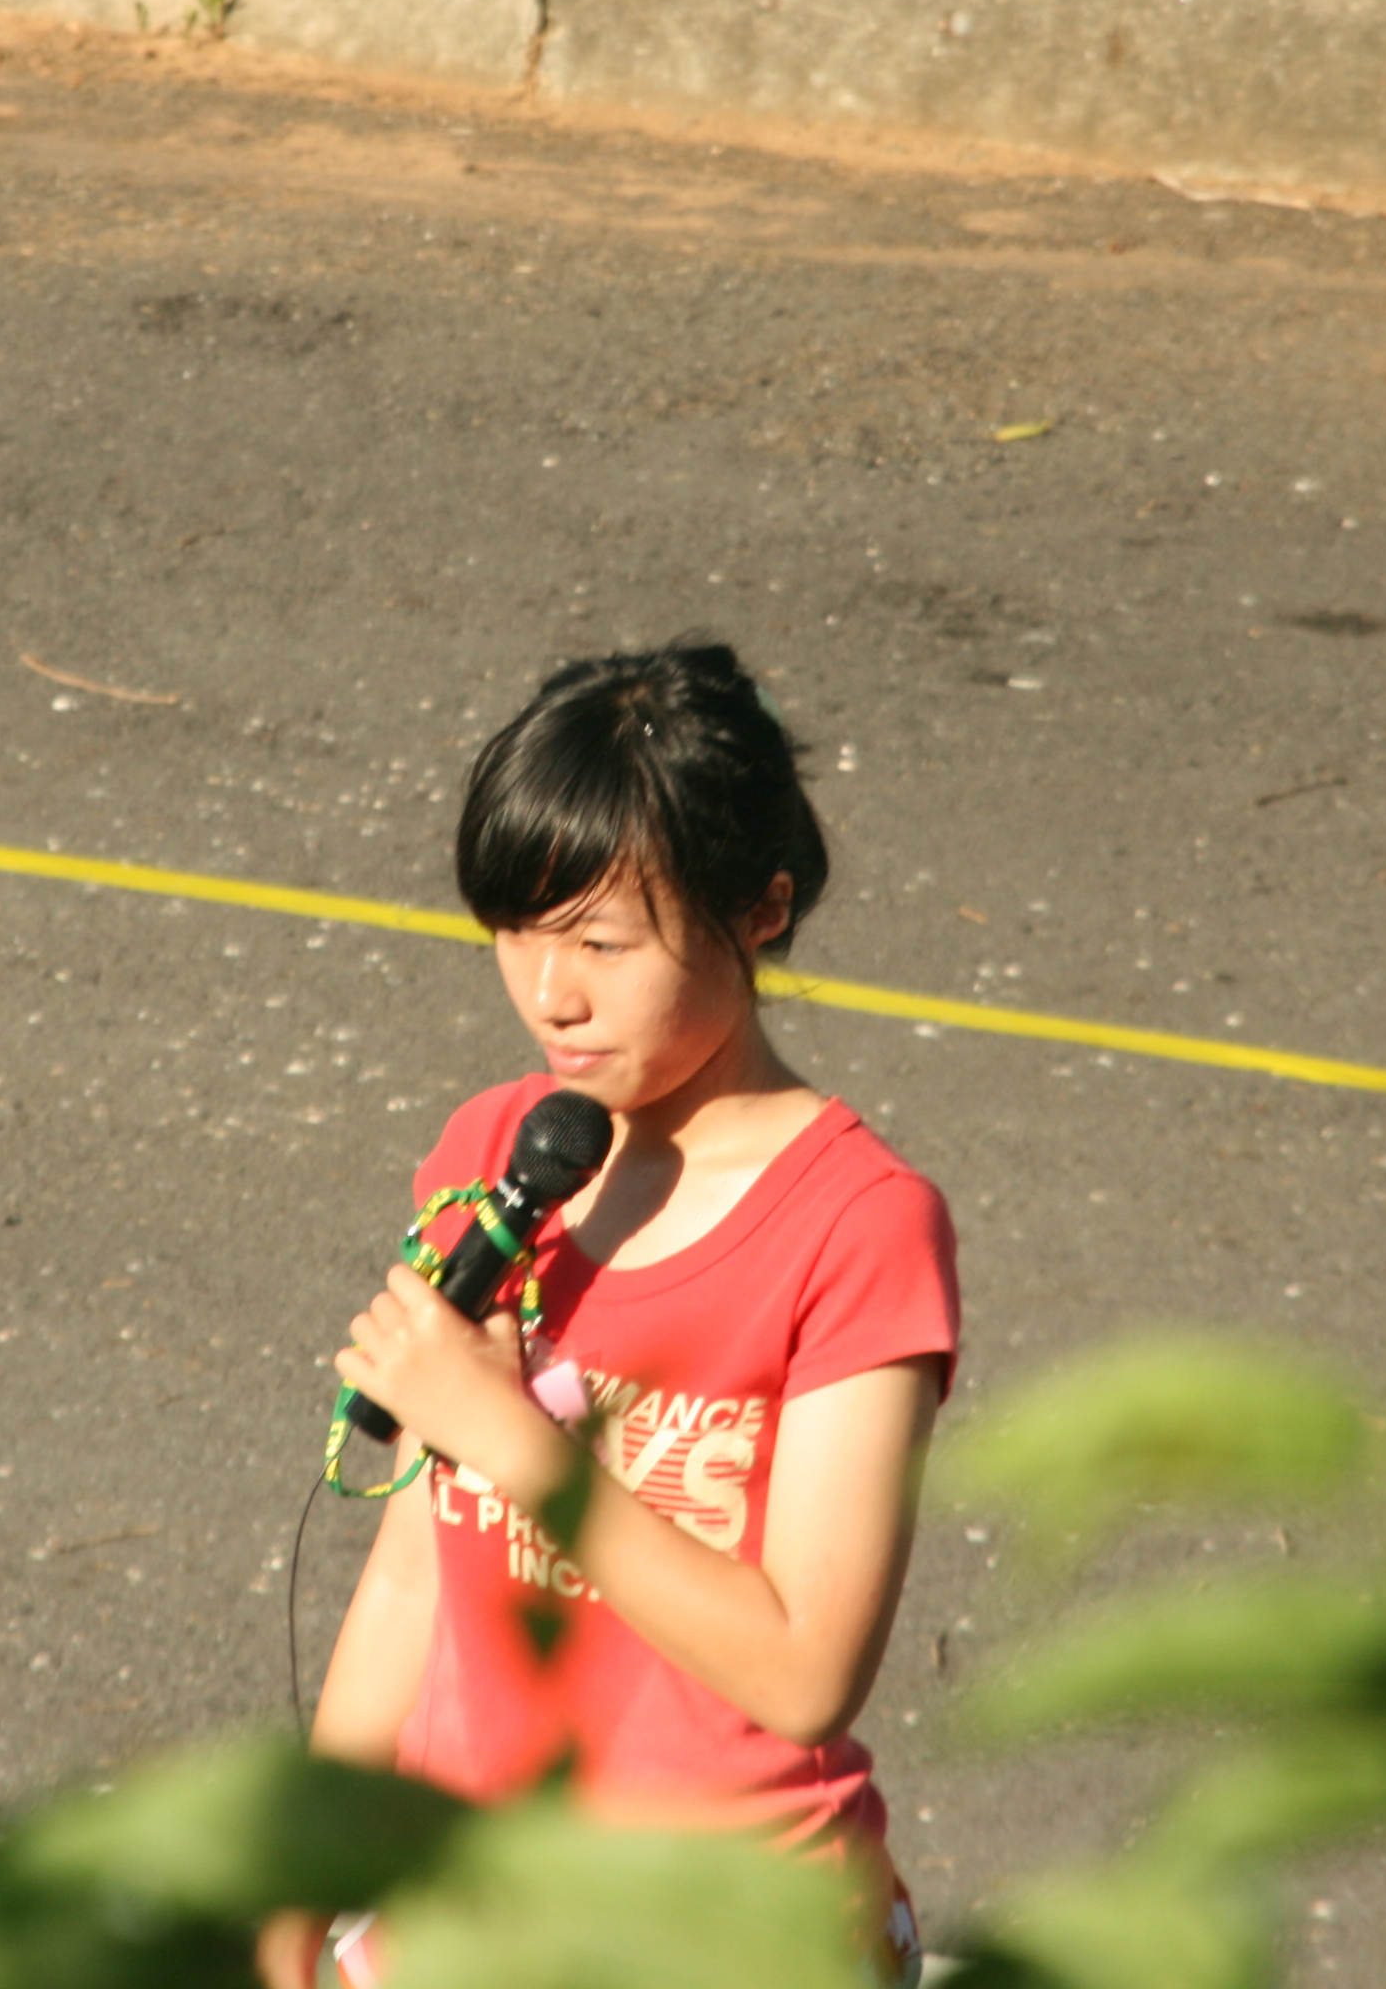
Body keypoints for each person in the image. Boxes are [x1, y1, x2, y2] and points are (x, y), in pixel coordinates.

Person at [264, 645, 960, 1989]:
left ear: (760, 908)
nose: (551, 994)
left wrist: (514, 1443)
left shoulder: (860, 1228)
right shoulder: (498, 1151)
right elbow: (415, 1571)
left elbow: (805, 1673)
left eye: (601, 943)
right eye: (517, 931)